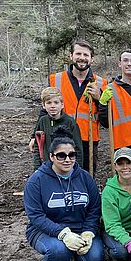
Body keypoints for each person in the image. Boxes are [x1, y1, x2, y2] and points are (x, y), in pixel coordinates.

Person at [24, 126, 103, 261]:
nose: (67, 159)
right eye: (61, 155)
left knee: (94, 256)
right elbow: (36, 216)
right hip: (45, 231)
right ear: (52, 157)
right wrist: (63, 233)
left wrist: (88, 232)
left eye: (71, 155)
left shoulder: (85, 178)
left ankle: (75, 257)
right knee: (58, 250)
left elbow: (94, 208)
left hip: (80, 228)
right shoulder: (36, 181)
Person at [40, 39, 107, 174]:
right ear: (71, 56)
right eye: (78, 54)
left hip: (88, 140)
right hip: (59, 137)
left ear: (92, 59)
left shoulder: (100, 83)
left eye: (86, 55)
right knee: (58, 175)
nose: (82, 58)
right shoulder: (56, 79)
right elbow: (45, 109)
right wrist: (34, 136)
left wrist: (99, 99)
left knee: (85, 176)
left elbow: (106, 120)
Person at [98, 49, 131, 179]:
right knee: (125, 182)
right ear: (119, 64)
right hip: (124, 145)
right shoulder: (110, 89)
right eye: (126, 60)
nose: (129, 64)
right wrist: (103, 103)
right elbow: (105, 123)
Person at [31, 87, 83, 170]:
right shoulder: (42, 121)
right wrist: (37, 168)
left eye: (56, 102)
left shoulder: (70, 122)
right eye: (49, 103)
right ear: (44, 105)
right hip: (47, 166)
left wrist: (77, 170)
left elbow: (78, 148)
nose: (52, 106)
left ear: (62, 105)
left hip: (65, 166)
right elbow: (38, 146)